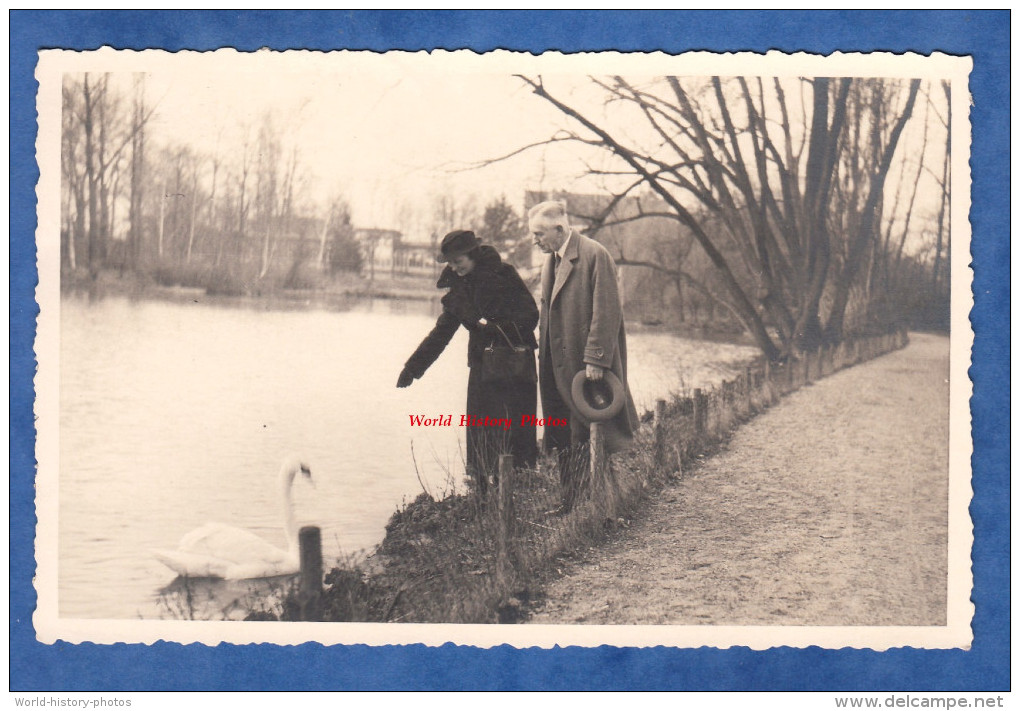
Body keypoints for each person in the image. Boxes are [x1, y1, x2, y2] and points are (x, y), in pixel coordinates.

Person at [397, 229, 539, 494]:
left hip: (516, 367)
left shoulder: (504, 274)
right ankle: (483, 500)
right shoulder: (459, 292)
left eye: (458, 261)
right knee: (483, 440)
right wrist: (412, 369)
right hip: (484, 371)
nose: (454, 267)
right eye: (450, 263)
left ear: (472, 255)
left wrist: (496, 328)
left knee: (516, 438)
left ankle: (519, 495)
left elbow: (530, 315)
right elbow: (440, 334)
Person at [529, 201, 640, 512]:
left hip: (584, 365)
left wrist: (596, 358)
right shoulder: (550, 261)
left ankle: (606, 503)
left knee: (593, 433)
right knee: (563, 433)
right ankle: (572, 501)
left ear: (559, 229)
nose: (535, 240)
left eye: (538, 234)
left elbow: (607, 311)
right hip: (556, 365)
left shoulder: (594, 254)